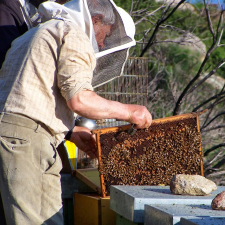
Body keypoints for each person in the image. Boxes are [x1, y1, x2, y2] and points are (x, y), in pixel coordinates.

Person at [0, 0, 152, 224]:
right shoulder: (73, 32)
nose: (101, 45)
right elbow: (80, 99)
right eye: (106, 35)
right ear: (95, 20)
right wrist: (131, 112)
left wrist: (70, 131)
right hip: (27, 145)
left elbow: (27, 96)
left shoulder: (35, 34)